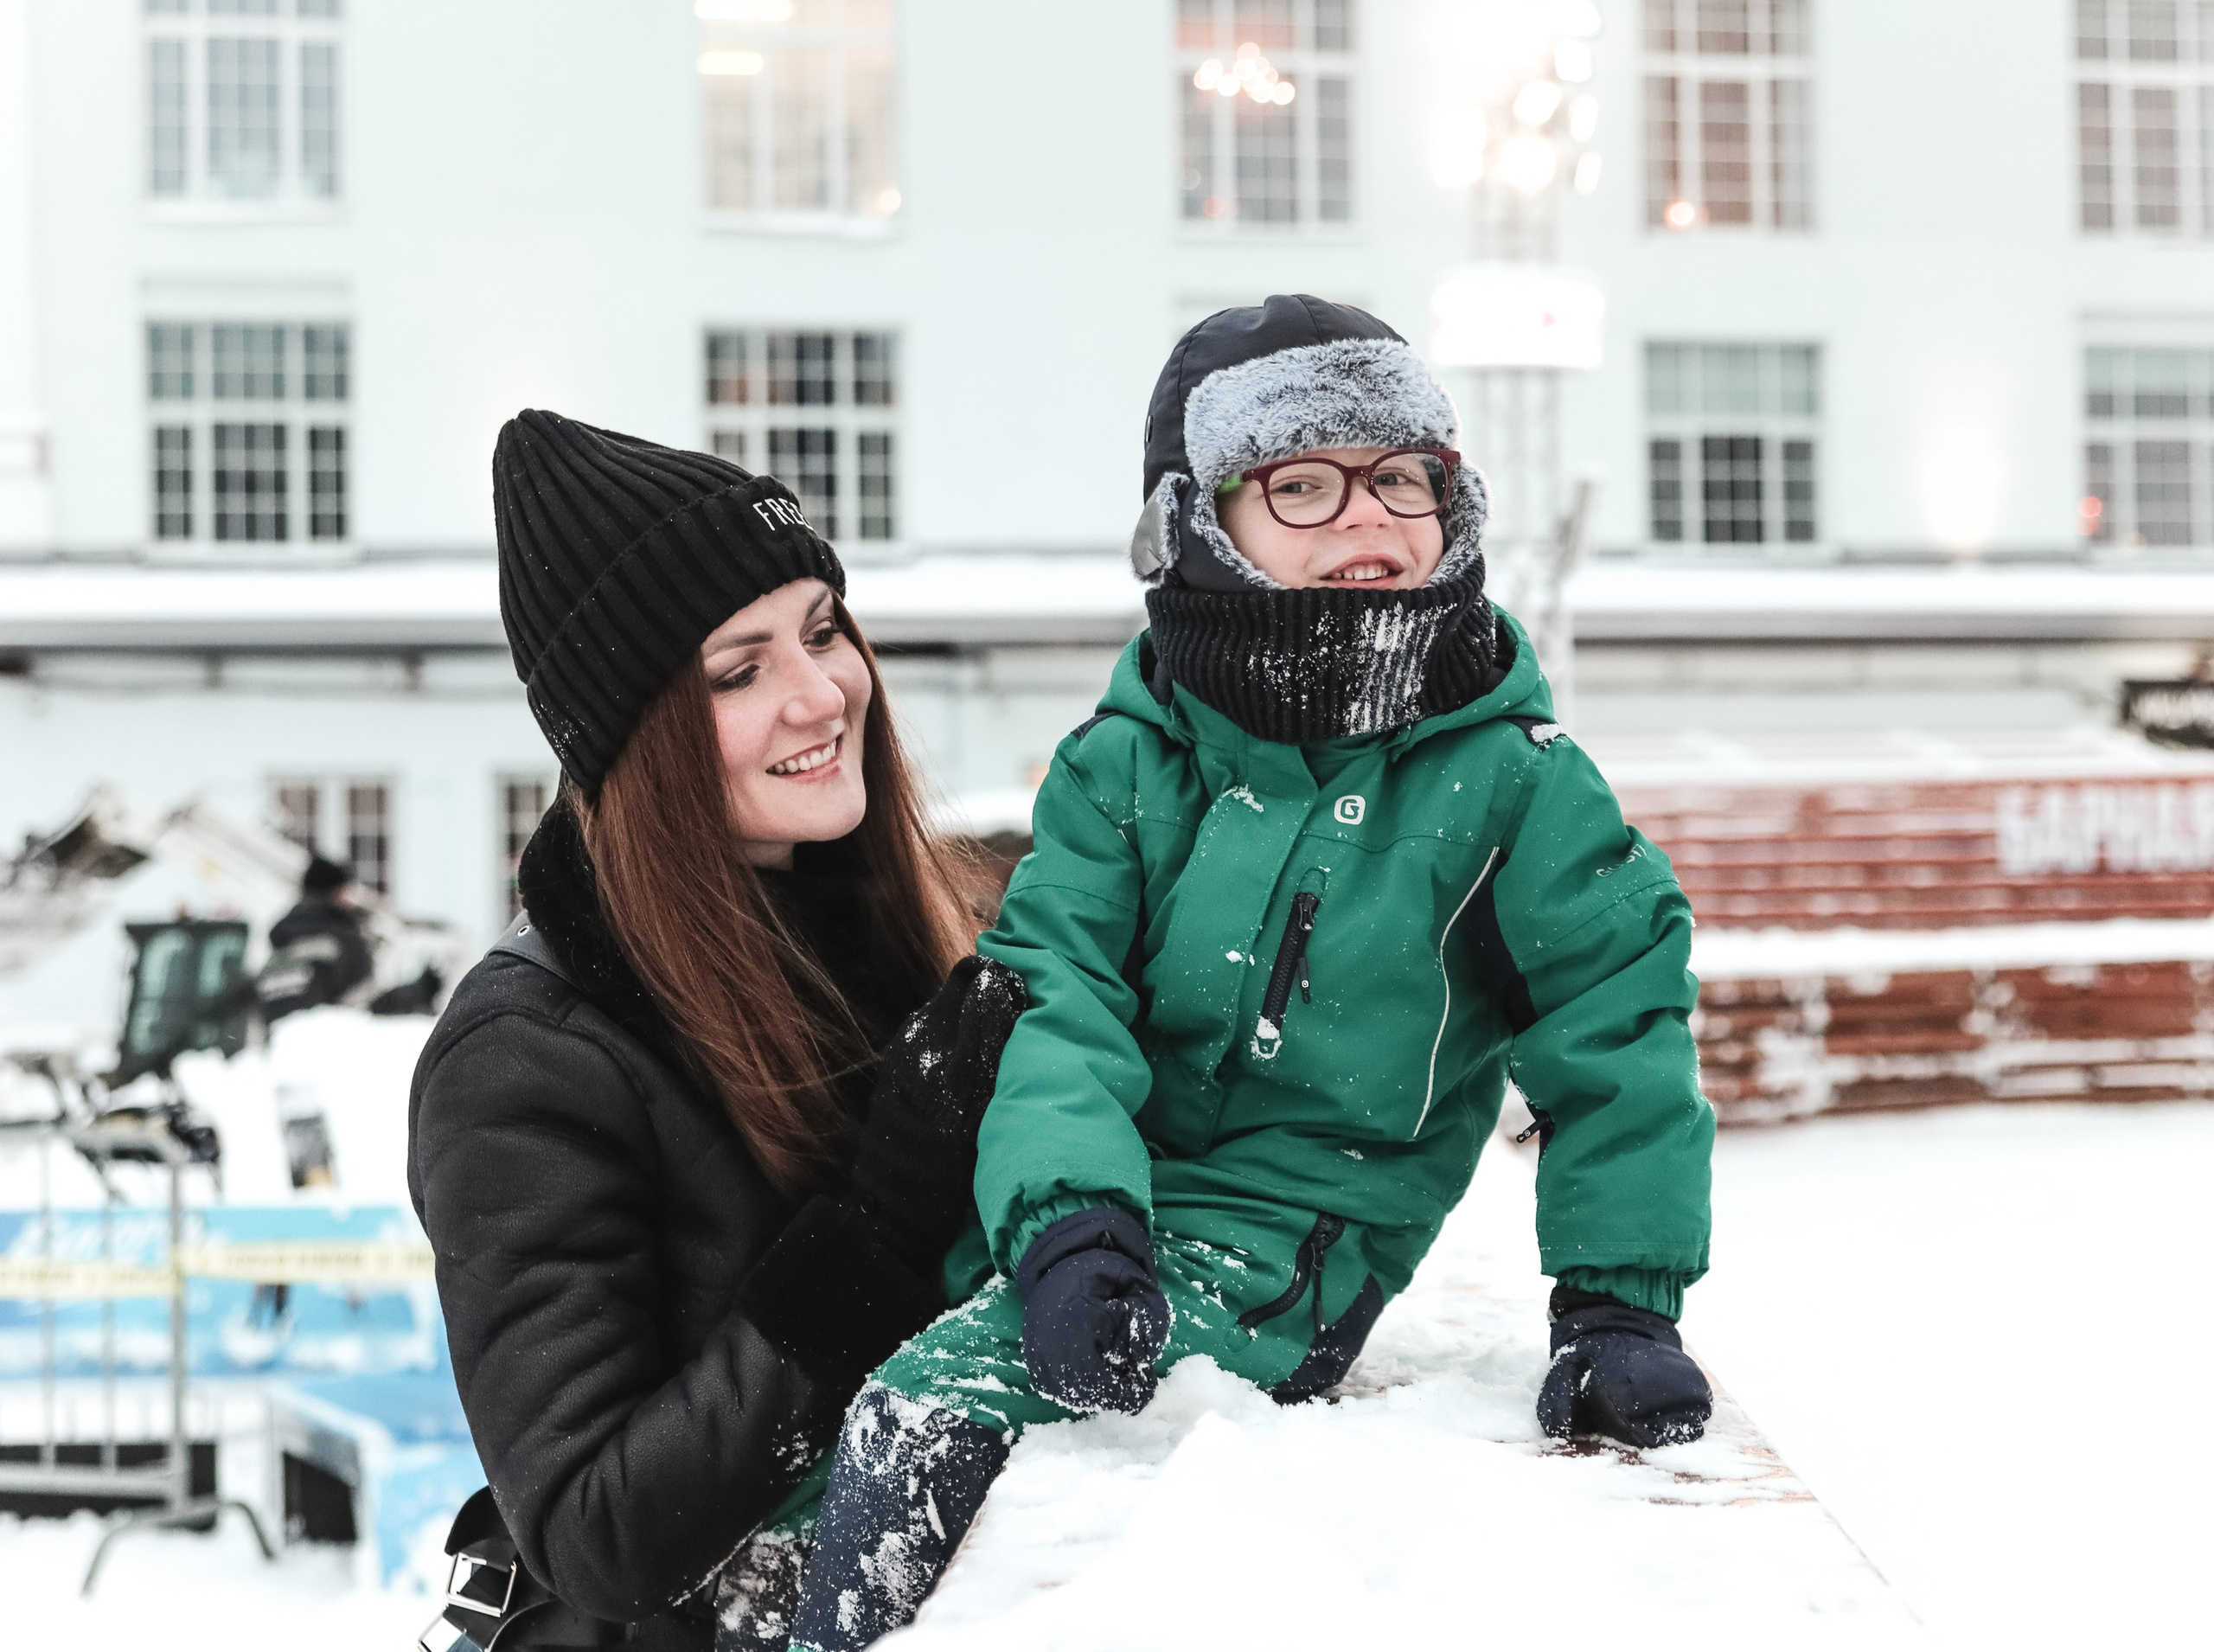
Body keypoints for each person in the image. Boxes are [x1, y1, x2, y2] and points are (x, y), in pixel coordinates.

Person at [777, 297, 1718, 1650]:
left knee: (928, 1417)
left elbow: (1620, 1018)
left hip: (1295, 1238)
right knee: (804, 1462)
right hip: (1082, 1218)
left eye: (1405, 478)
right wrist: (1071, 1221)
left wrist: (1618, 1299)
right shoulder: (1127, 761)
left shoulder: (1513, 784)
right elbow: (1056, 992)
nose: (1370, 519)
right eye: (1304, 483)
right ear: (1202, 527)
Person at [408, 412, 1022, 1652]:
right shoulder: (528, 1056)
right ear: (637, 739)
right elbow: (595, 1528)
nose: (819, 694)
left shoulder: (907, 932)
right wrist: (879, 1228)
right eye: (737, 672)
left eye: (820, 629)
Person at [255, 853, 374, 1022]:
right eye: (345, 890)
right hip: (328, 1038)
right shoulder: (343, 939)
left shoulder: (283, 938)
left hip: (281, 1041)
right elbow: (362, 997)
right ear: (334, 892)